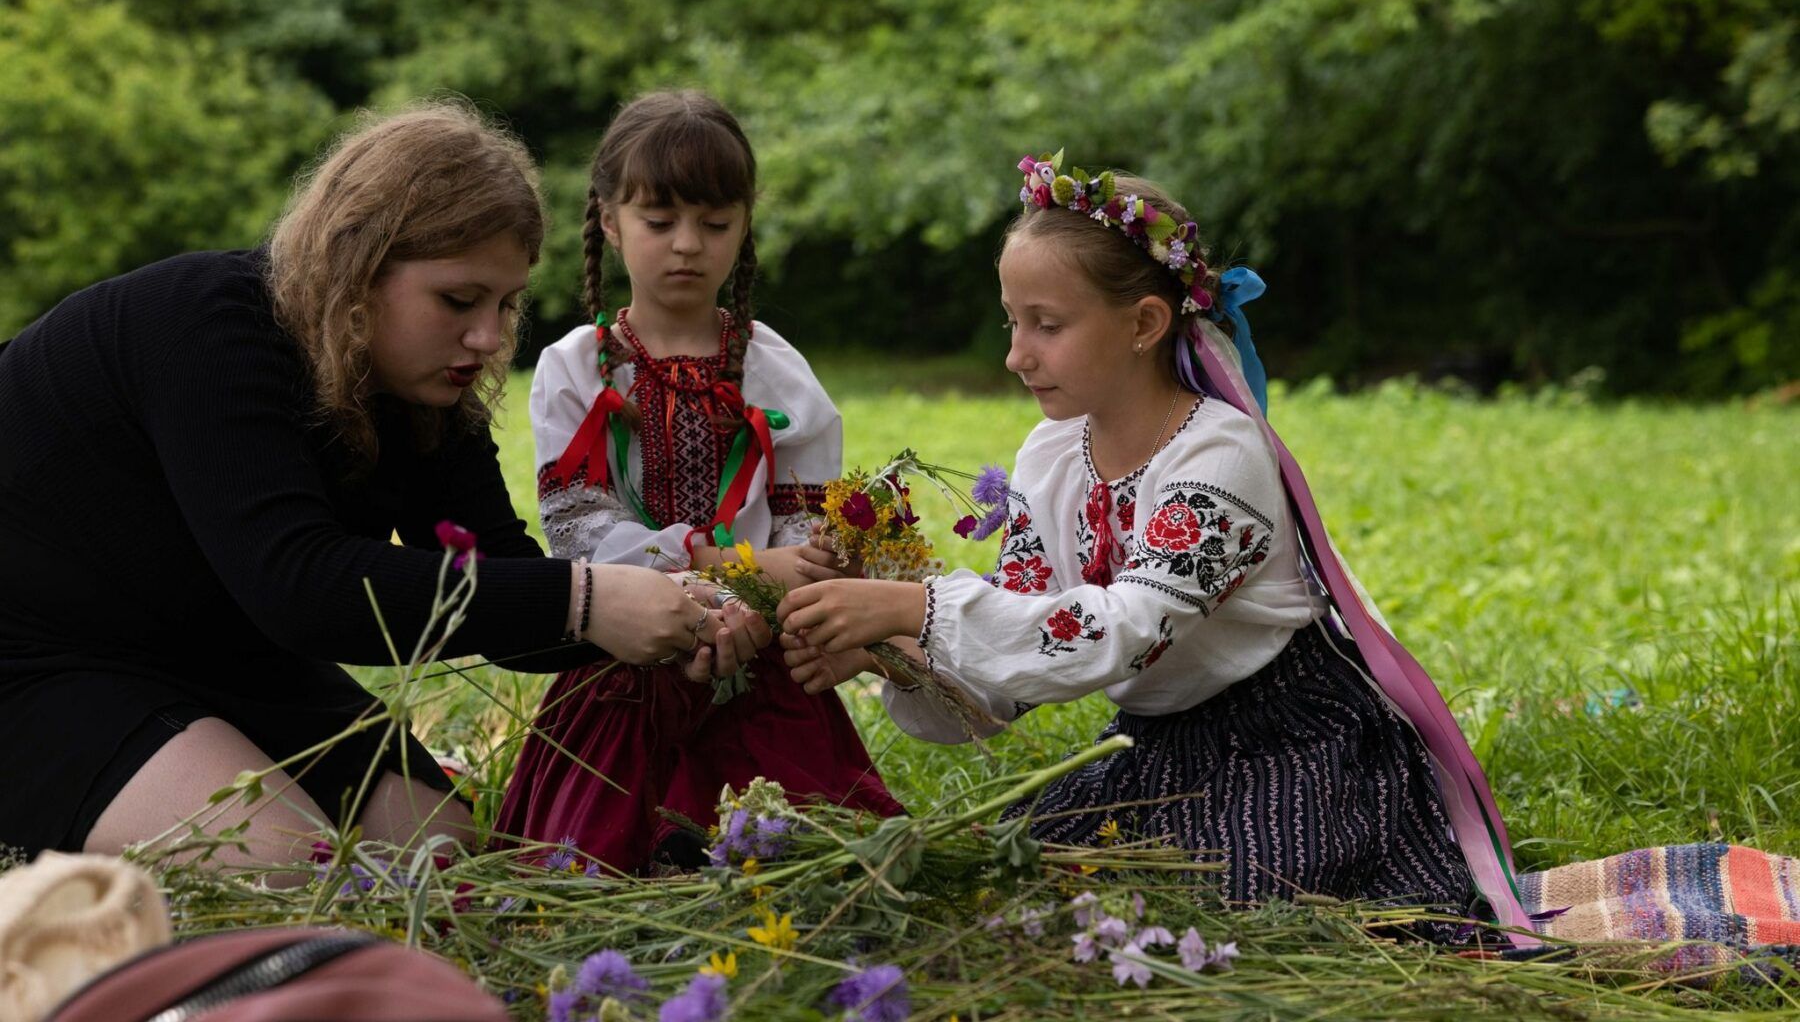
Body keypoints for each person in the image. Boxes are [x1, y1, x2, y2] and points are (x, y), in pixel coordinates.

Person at [778, 154, 1526, 942]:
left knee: (1224, 914)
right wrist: (894, 655)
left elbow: (1127, 631)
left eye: (1047, 325)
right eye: (1012, 322)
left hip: (1292, 741)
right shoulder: (1051, 455)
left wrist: (916, 606)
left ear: (1143, 324)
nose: (1016, 355)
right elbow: (1027, 655)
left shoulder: (1221, 456)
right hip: (1156, 750)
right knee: (1021, 892)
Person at [0, 101, 766, 870]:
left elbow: (502, 580)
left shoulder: (425, 391)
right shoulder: (208, 327)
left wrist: (668, 613)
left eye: (504, 304)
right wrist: (586, 600)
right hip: (38, 656)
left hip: (221, 655)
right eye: (458, 300)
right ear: (356, 270)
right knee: (291, 864)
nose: (487, 338)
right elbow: (299, 585)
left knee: (439, 848)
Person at [496, 90, 901, 873]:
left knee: (812, 864)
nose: (687, 245)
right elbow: (581, 531)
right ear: (611, 221)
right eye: (660, 221)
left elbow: (804, 531)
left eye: (714, 224)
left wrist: (768, 598)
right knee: (595, 867)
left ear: (744, 226)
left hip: (760, 660)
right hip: (624, 658)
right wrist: (723, 572)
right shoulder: (574, 370)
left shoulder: (776, 369)